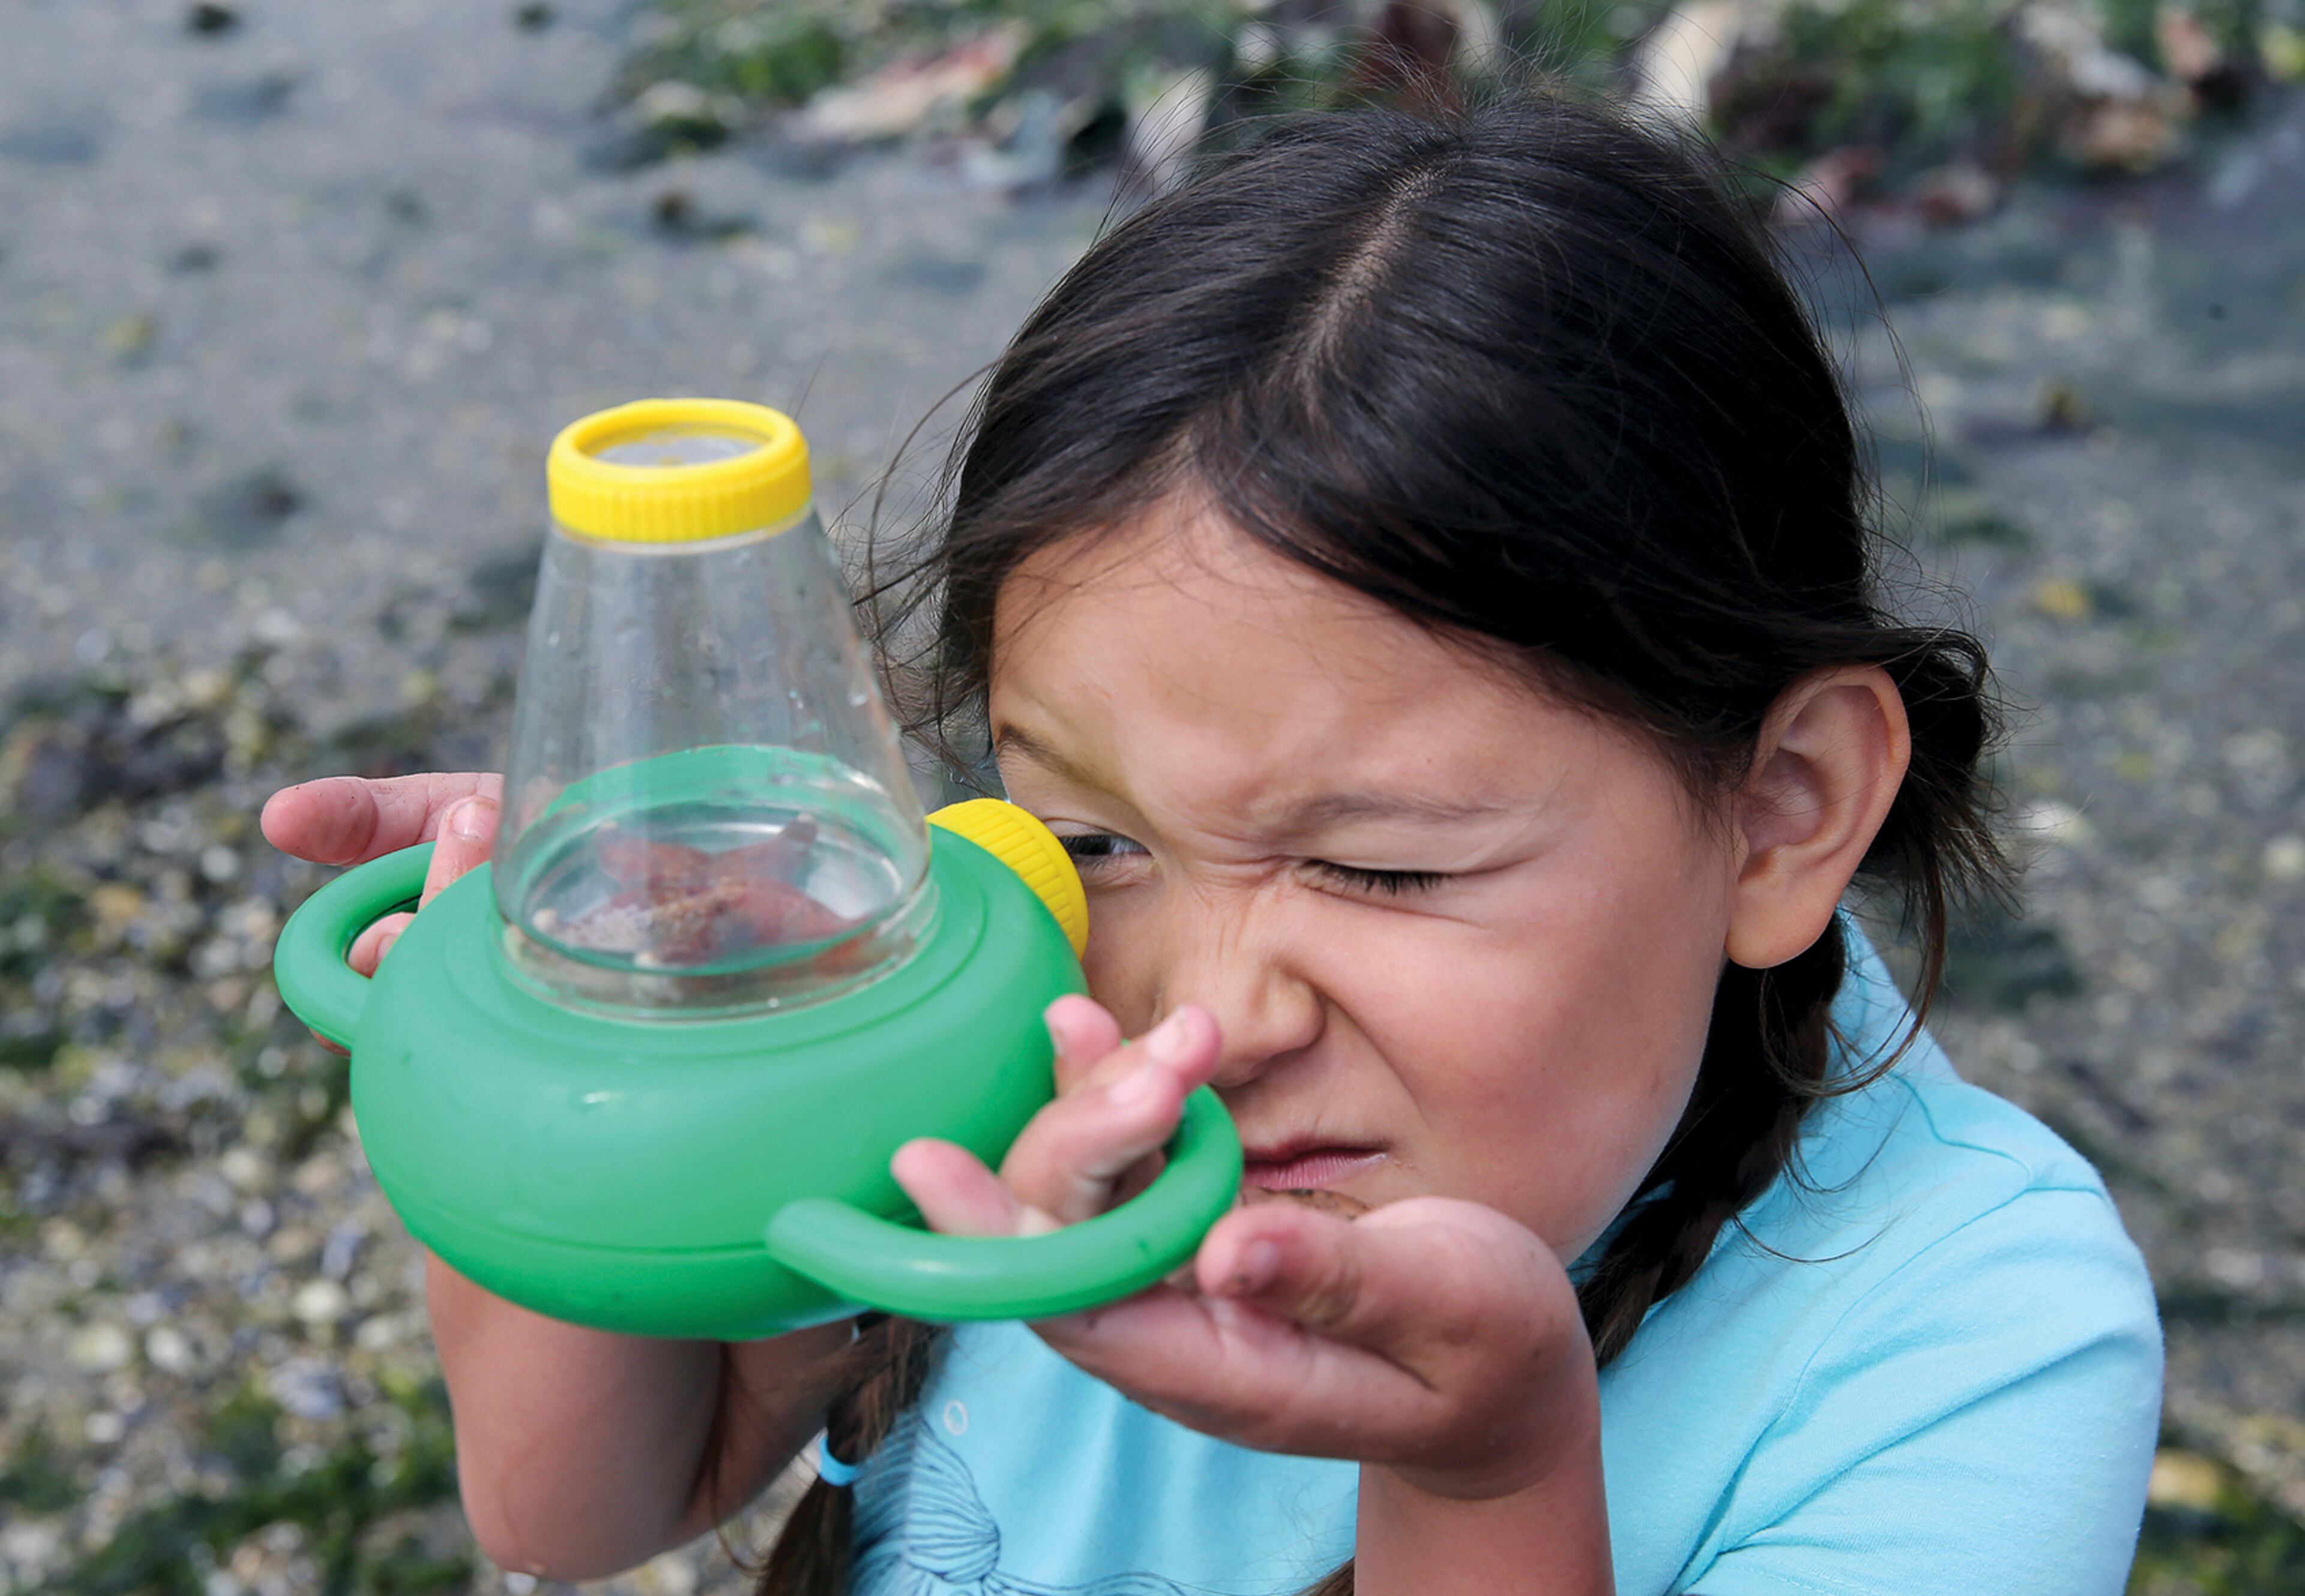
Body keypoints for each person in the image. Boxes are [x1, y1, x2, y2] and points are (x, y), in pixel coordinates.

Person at [261, 91, 2162, 1596]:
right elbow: (580, 1502)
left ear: (1784, 808)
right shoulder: (1006, 1024)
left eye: (1384, 870)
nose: (1204, 1015)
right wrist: (566, 1048)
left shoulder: (1969, 1335)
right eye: (1092, 834)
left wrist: (1484, 1459)